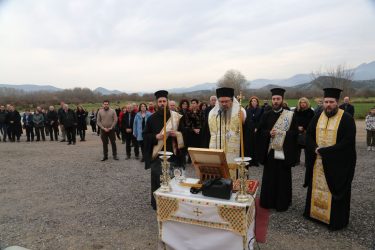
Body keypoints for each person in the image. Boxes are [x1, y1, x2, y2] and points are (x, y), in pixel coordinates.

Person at [304, 88, 356, 230]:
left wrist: (326, 152)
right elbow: (308, 135)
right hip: (318, 162)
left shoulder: (347, 118)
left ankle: (334, 220)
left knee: (333, 188)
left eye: (331, 102)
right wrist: (315, 148)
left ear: (337, 102)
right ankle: (314, 215)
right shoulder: (318, 116)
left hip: (336, 164)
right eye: (326, 102)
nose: (328, 105)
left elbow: (348, 142)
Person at [256, 88, 298, 211]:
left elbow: (295, 133)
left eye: (278, 99)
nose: (275, 101)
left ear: (282, 100)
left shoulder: (289, 115)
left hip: (284, 152)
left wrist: (283, 133)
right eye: (274, 99)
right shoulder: (266, 114)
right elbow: (260, 132)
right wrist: (269, 133)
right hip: (270, 152)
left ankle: (282, 202)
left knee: (283, 178)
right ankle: (268, 201)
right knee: (270, 177)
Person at [143, 90, 185, 210]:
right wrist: (156, 136)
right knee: (158, 178)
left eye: (164, 101)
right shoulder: (151, 119)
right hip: (158, 155)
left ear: (167, 102)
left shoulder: (176, 117)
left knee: (174, 178)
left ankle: (175, 204)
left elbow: (184, 133)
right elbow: (145, 135)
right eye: (160, 101)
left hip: (174, 154)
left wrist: (176, 134)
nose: (162, 103)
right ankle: (158, 204)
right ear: (157, 103)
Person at [207, 87, 246, 179]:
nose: (224, 104)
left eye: (226, 101)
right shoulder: (212, 114)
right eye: (221, 101)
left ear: (232, 100)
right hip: (217, 151)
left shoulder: (240, 111)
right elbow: (209, 134)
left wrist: (244, 121)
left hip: (236, 152)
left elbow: (248, 131)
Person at [294, 97, 315, 166]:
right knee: (297, 148)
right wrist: (297, 127)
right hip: (297, 131)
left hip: (307, 132)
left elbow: (312, 122)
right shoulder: (296, 111)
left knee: (307, 148)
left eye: (304, 102)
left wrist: (305, 129)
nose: (302, 104)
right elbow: (293, 121)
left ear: (307, 103)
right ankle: (296, 161)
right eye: (301, 103)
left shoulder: (311, 112)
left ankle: (307, 162)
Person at [244, 96, 263, 167]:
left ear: (257, 102)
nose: (253, 102)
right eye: (252, 101)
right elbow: (246, 120)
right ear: (250, 102)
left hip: (257, 130)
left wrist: (257, 127)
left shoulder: (260, 110)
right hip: (249, 130)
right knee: (249, 145)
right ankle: (250, 161)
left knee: (256, 145)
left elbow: (261, 120)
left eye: (255, 101)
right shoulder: (247, 110)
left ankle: (256, 160)